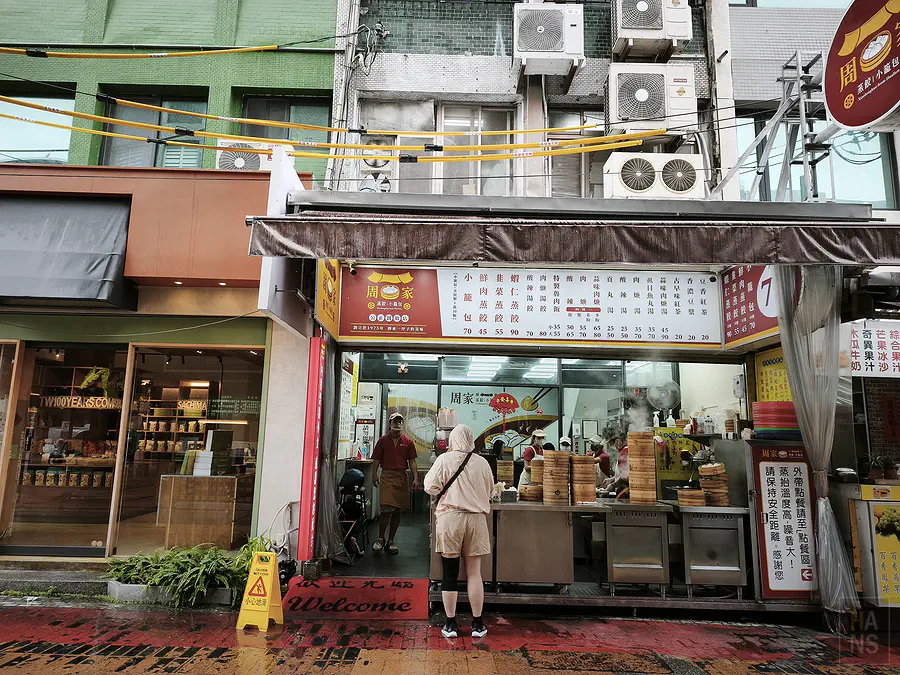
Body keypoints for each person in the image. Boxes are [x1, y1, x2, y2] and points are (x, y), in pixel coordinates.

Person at [425, 424, 494, 639]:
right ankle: (477, 624)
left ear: (452, 441)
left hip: (450, 520)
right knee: (474, 573)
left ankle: (451, 624)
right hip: (476, 520)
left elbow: (429, 487)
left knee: (449, 573)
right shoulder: (482, 462)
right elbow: (491, 491)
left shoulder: (444, 460)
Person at [372, 412, 420, 555]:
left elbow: (412, 461)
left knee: (397, 510)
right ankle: (381, 538)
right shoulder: (382, 441)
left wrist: (416, 478)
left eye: (400, 422)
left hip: (401, 477)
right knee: (386, 508)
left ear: (402, 424)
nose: (397, 424)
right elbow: (376, 459)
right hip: (387, 475)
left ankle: (391, 541)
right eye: (395, 421)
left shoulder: (408, 441)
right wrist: (374, 474)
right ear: (390, 423)